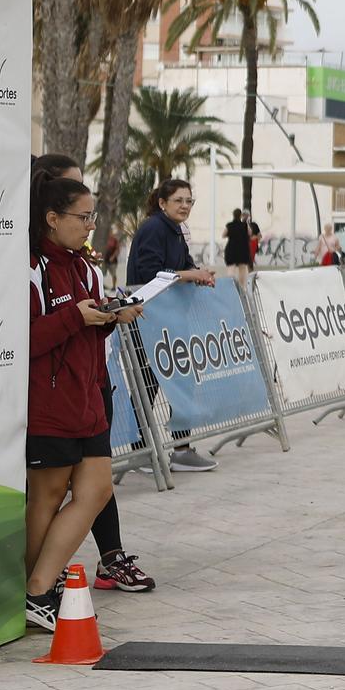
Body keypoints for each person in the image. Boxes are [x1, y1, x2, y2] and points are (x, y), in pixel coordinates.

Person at [31, 155, 155, 593]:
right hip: (49, 406)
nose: (90, 226)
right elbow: (20, 342)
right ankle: (34, 590)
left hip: (89, 400)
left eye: (93, 217)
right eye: (83, 217)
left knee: (97, 490)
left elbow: (83, 331)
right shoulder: (31, 268)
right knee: (45, 501)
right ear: (51, 217)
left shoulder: (85, 267)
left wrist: (109, 318)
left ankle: (38, 588)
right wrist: (77, 320)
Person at [126, 179, 219, 473]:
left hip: (168, 320)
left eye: (189, 201)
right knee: (147, 384)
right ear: (162, 203)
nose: (185, 205)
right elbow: (152, 273)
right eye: (179, 200)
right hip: (148, 317)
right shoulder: (154, 228)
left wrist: (199, 273)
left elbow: (183, 264)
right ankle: (140, 451)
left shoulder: (176, 230)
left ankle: (181, 448)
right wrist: (191, 275)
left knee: (180, 380)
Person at [224, 207, 256, 283]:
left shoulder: (229, 225)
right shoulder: (244, 225)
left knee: (231, 270)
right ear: (240, 215)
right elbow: (250, 233)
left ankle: (231, 286)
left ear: (233, 215)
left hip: (231, 250)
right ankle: (243, 288)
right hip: (242, 251)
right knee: (243, 270)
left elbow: (223, 234)